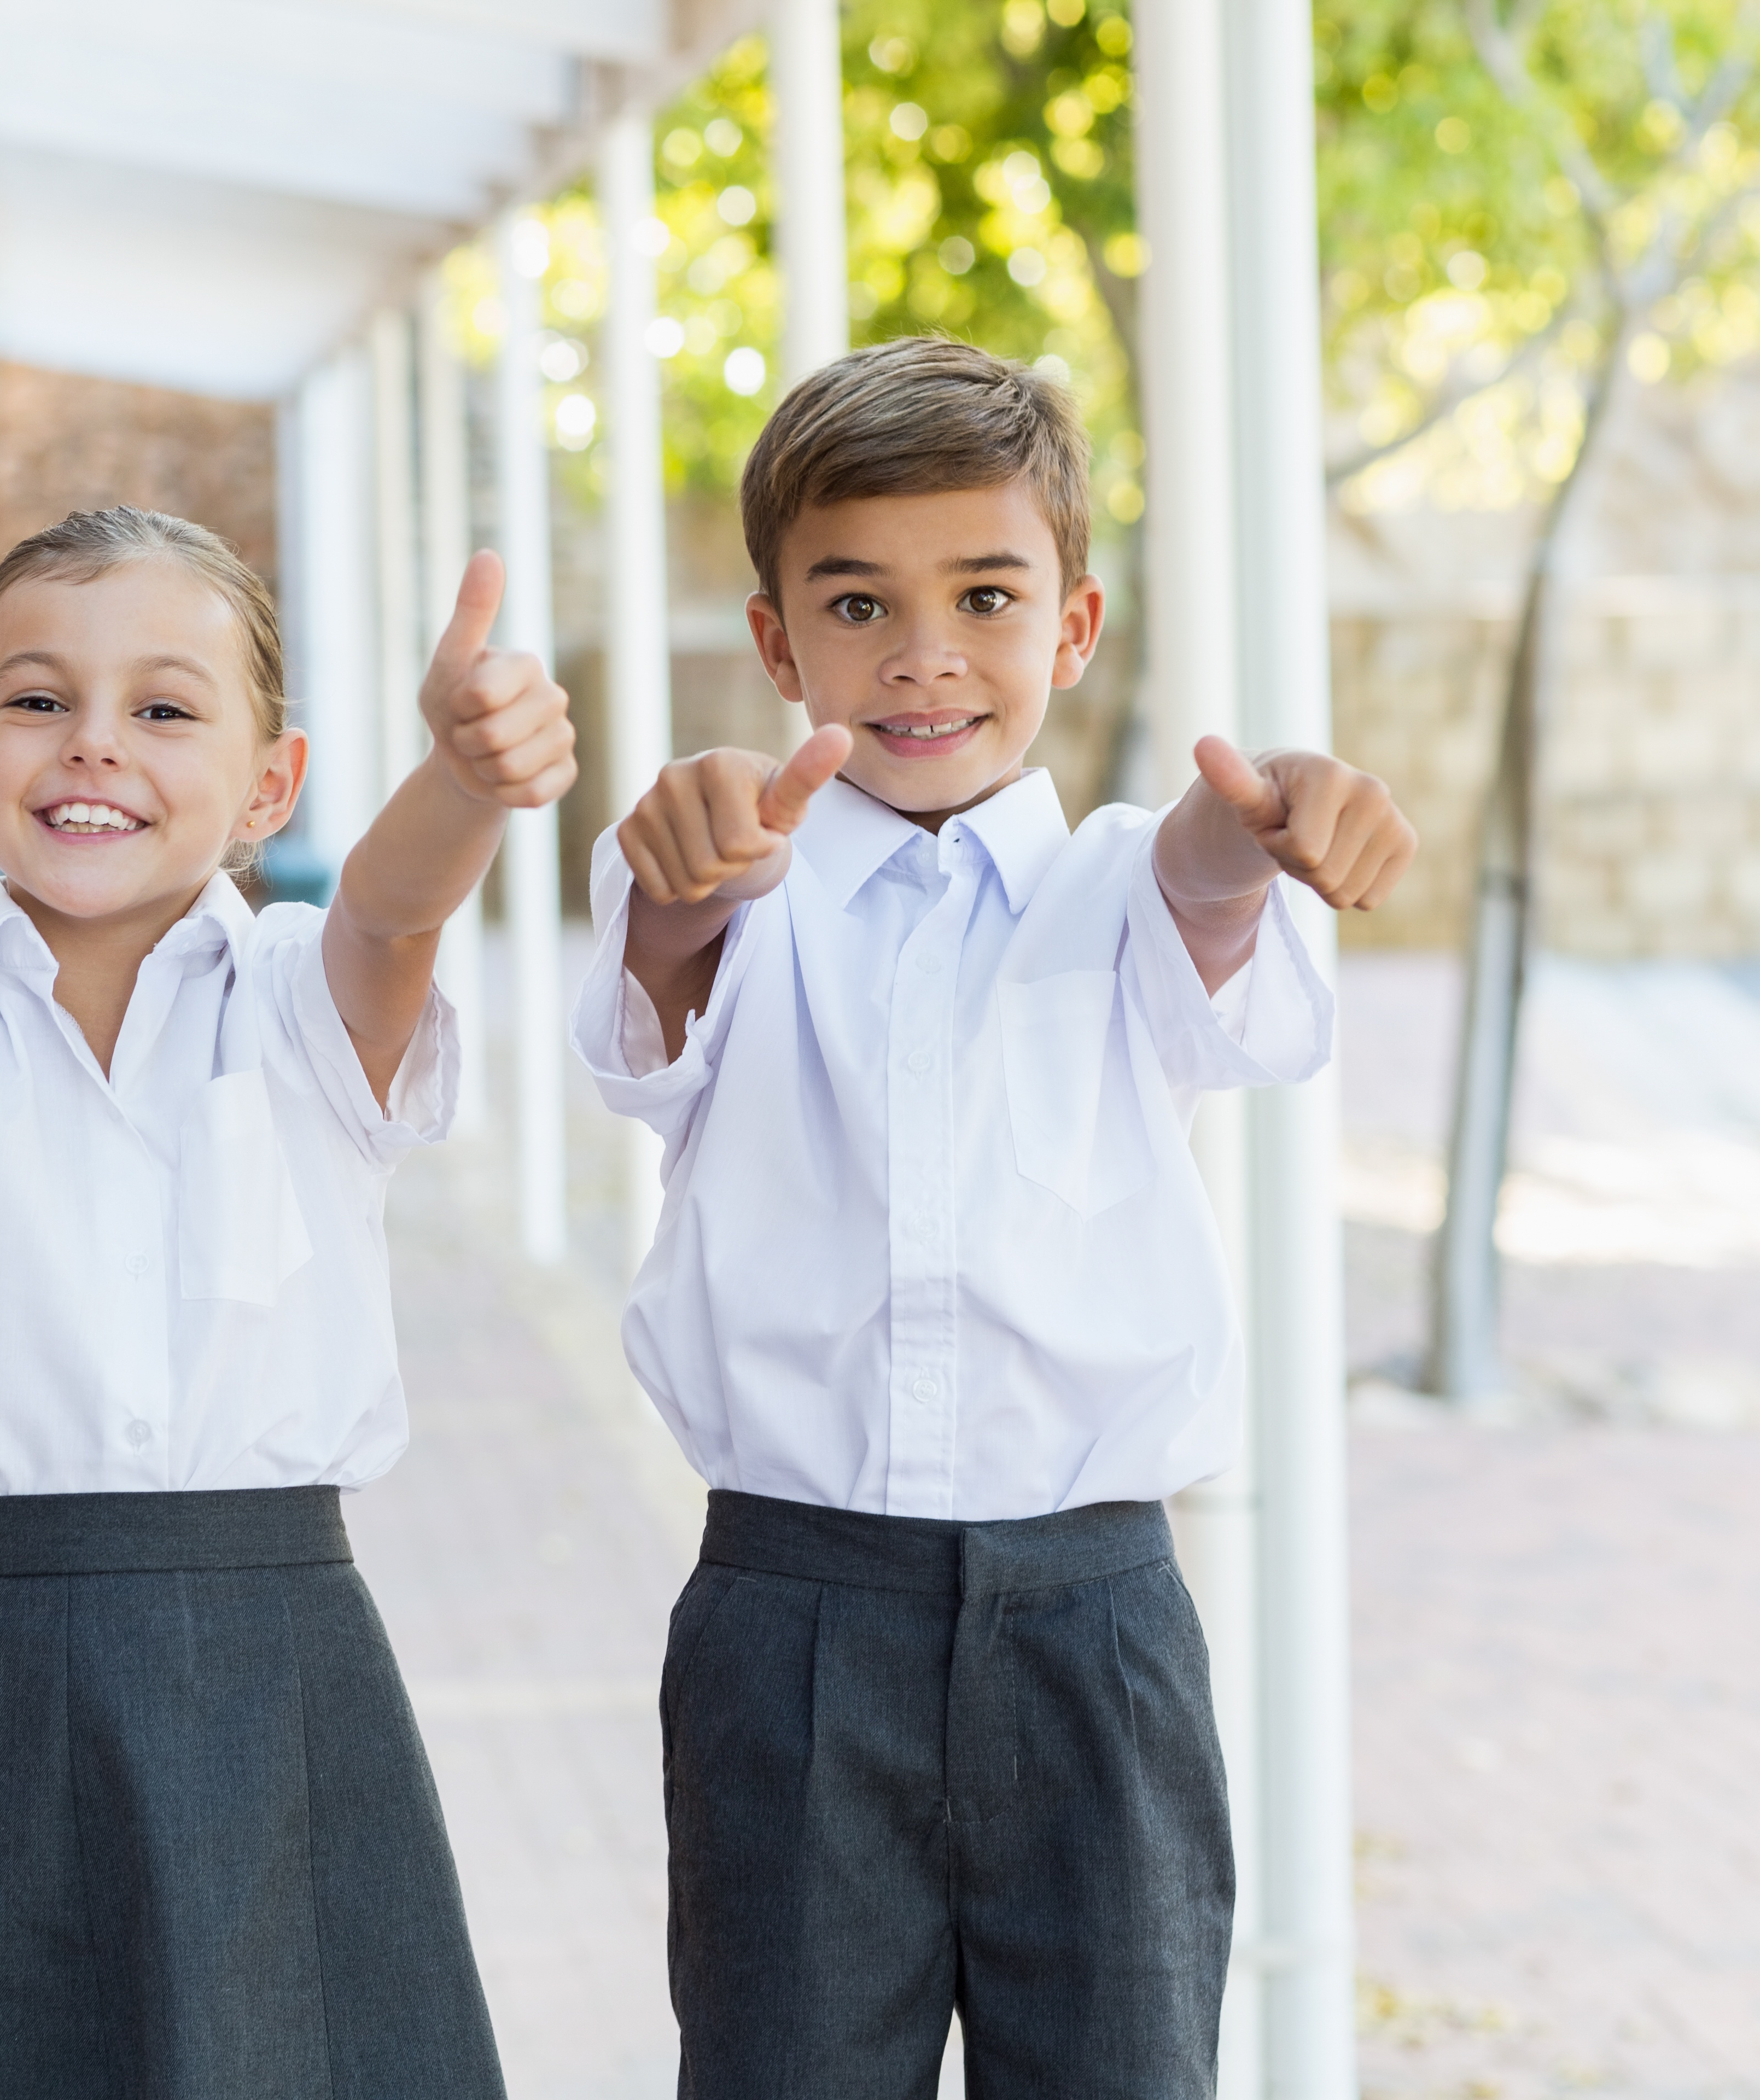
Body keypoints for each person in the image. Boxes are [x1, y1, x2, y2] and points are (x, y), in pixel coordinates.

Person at [576, 335, 1415, 2095]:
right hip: (793, 1619)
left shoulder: (1122, 884)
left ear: (1077, 626)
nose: (926, 655)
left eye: (985, 595)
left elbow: (1199, 868)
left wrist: (1258, 819)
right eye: (859, 604)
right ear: (776, 640)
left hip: (1096, 1623)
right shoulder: (733, 878)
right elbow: (667, 962)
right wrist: (682, 883)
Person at [0, 494, 567, 2097]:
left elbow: (395, 908)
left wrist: (470, 780)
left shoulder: (301, 1003)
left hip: (279, 1659)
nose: (93, 746)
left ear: (269, 783)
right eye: (36, 702)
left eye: (161, 709)